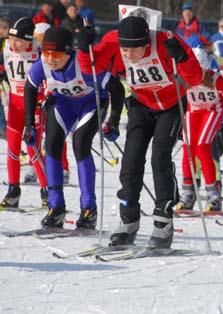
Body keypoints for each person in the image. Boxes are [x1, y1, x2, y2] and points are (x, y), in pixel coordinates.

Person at [77, 15, 203, 248]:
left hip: (171, 107)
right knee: (131, 161)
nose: (128, 54)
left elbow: (196, 78)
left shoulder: (166, 40)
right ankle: (129, 220)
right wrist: (84, 48)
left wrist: (183, 57)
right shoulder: (113, 40)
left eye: (135, 49)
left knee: (160, 159)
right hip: (140, 104)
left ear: (147, 43)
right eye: (125, 49)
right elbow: (89, 70)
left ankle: (163, 222)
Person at [24, 27, 123, 229]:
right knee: (51, 145)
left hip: (91, 104)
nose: (51, 59)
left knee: (80, 143)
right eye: (46, 52)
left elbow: (117, 88)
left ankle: (88, 209)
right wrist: (29, 124)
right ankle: (56, 207)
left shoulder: (84, 65)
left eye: (57, 54)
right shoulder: (41, 65)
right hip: (63, 104)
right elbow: (30, 87)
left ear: (69, 52)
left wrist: (113, 120)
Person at [176, 47, 223, 212]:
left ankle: (213, 196)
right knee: (188, 149)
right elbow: (175, 96)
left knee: (203, 146)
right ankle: (188, 194)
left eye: (198, 71)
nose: (195, 76)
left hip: (213, 111)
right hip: (193, 111)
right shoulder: (184, 75)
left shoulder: (215, 77)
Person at [0, 18, 48, 210]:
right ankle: (13, 191)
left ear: (29, 40)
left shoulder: (40, 52)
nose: (13, 43)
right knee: (12, 149)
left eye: (18, 40)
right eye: (11, 38)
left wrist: (46, 97)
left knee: (32, 149)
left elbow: (48, 78)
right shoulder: (5, 48)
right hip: (14, 103)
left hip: (34, 104)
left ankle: (48, 191)